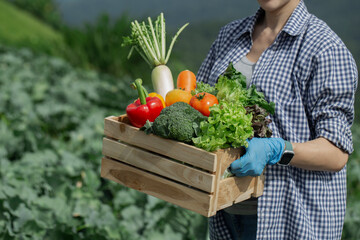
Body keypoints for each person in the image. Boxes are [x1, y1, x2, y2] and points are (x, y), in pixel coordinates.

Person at [196, 0, 358, 239]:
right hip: (225, 214)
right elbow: (199, 102)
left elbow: (336, 152)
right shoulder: (229, 36)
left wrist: (277, 150)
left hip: (289, 220)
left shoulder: (324, 47)